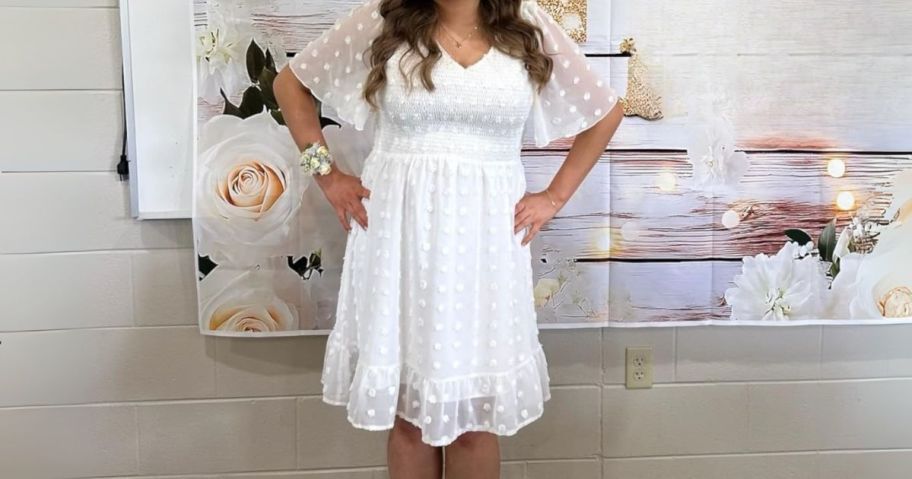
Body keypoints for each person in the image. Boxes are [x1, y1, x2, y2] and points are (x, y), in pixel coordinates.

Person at [274, 0, 622, 476]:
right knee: (408, 417)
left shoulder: (526, 23)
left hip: (486, 248)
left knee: (475, 420)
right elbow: (290, 84)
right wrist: (328, 176)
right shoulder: (385, 17)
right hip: (398, 241)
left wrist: (555, 197)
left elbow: (605, 113)